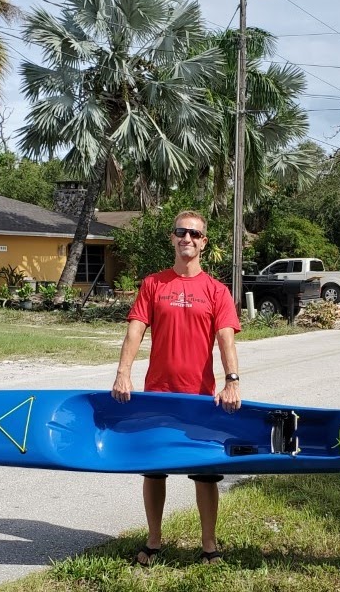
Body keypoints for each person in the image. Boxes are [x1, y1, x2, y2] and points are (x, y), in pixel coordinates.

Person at [112, 210, 242, 566]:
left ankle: (209, 546)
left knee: (204, 473)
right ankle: (154, 542)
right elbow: (135, 330)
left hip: (200, 398)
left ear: (204, 242)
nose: (187, 238)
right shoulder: (154, 284)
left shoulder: (216, 291)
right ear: (172, 238)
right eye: (181, 232)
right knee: (155, 470)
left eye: (194, 234)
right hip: (158, 396)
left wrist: (231, 381)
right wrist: (123, 373)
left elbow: (226, 338)